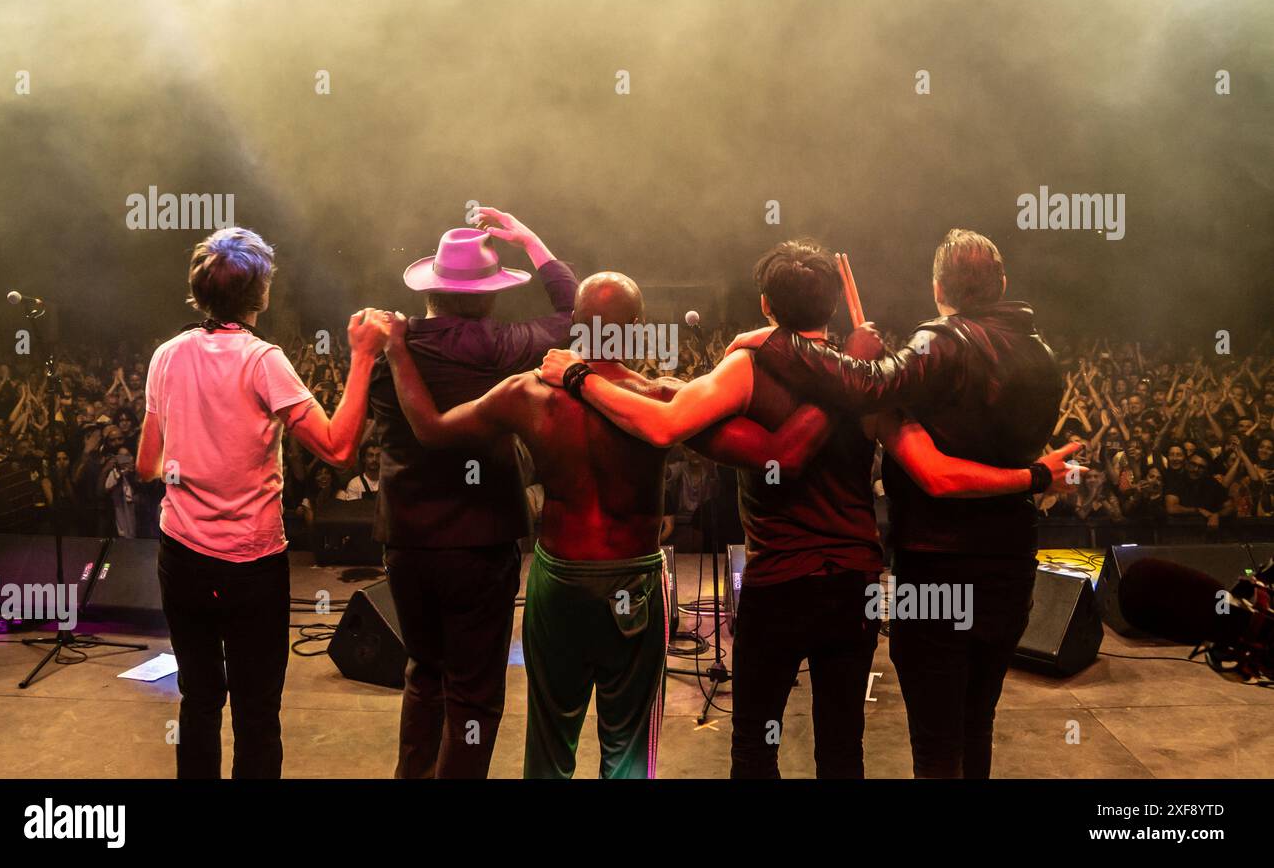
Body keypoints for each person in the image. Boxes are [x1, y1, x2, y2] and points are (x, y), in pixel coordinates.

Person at [541, 237, 1078, 779]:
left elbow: (662, 425)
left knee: (754, 747)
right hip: (854, 583)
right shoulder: (864, 382)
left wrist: (577, 375)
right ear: (832, 307)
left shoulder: (748, 367)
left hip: (781, 582)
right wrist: (1033, 475)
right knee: (844, 750)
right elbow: (930, 469)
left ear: (767, 306)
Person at [378, 273, 830, 778]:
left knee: (549, 747)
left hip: (559, 582)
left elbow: (431, 430)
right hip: (633, 582)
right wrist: (832, 388)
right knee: (629, 749)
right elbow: (776, 455)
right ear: (636, 327)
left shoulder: (526, 393)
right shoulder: (663, 399)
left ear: (573, 324)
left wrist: (398, 351)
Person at [711, 229, 1064, 779]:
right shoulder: (1043, 355)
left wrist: (775, 341)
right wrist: (1034, 477)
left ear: (939, 285)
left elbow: (874, 393)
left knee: (936, 737)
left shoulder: (942, 342)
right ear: (1002, 283)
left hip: (937, 561)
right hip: (1010, 562)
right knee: (974, 724)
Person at [136, 227, 388, 779]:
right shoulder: (261, 360)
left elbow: (146, 465)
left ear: (198, 291)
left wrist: (196, 461)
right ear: (262, 294)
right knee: (256, 712)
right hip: (251, 563)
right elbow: (339, 447)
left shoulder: (166, 356)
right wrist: (364, 357)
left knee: (199, 700)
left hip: (181, 556)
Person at [368, 207, 578, 779]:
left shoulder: (392, 345)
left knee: (423, 674)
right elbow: (574, 312)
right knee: (474, 693)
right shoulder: (507, 345)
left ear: (432, 287)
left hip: (407, 538)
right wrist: (531, 240)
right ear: (489, 295)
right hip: (481, 540)